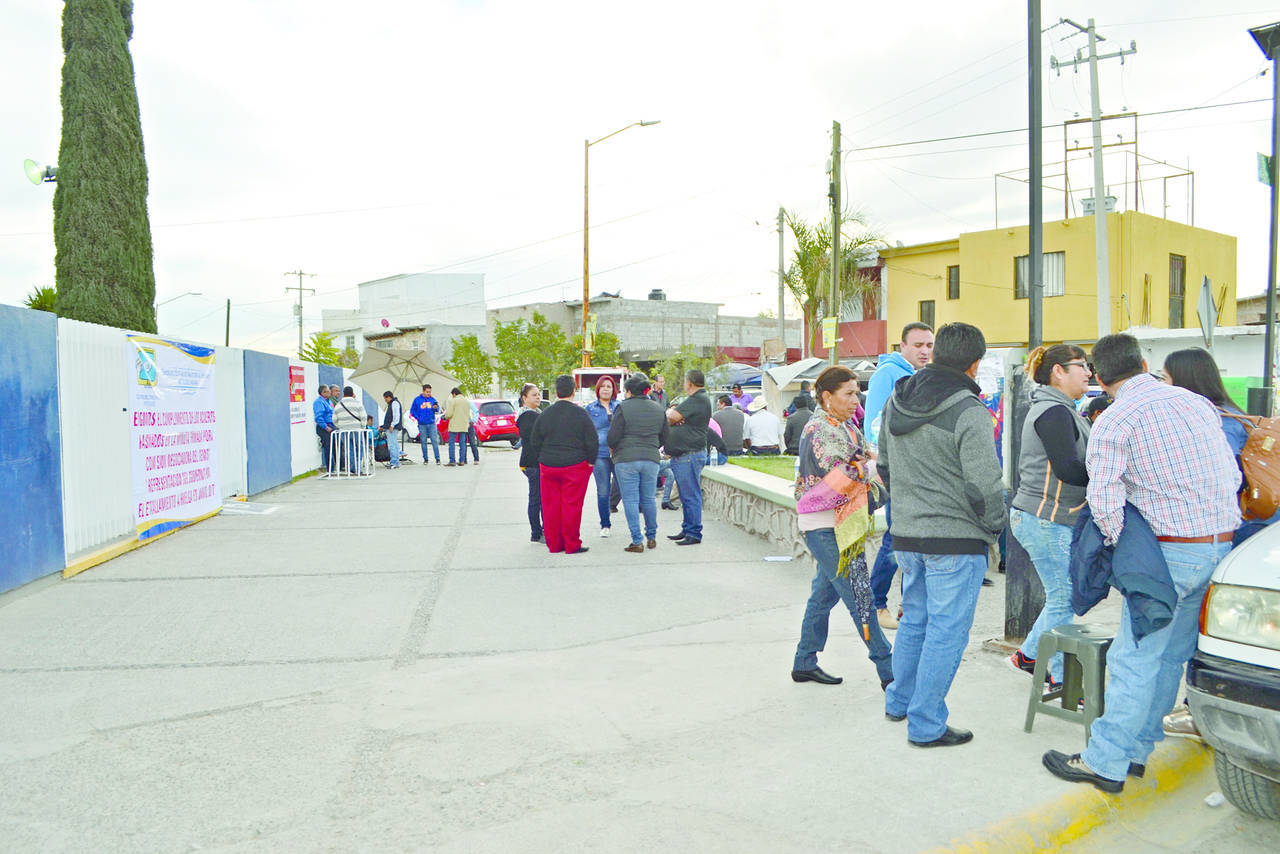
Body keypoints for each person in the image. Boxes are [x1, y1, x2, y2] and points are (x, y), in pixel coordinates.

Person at [1041, 334, 1240, 793]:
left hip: (1166, 554)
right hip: (1218, 546)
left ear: (1099, 376)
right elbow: (1230, 474)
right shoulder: (1196, 404)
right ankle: (1137, 748)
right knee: (1171, 654)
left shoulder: (1115, 421)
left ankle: (1105, 761)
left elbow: (1104, 501)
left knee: (1135, 657)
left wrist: (1118, 546)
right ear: (1145, 363)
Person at [879, 322, 1004, 748]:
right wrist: (995, 527)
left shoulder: (897, 398)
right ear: (974, 363)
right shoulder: (969, 410)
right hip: (954, 539)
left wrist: (909, 510)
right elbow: (984, 485)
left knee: (915, 619)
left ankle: (899, 701)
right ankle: (926, 722)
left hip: (908, 535)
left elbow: (884, 467)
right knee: (946, 631)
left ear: (935, 355)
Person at [1159, 348, 1274, 741]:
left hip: (1235, 534)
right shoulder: (1231, 413)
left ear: (1185, 380)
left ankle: (1198, 712)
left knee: (1206, 626)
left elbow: (1218, 484)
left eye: (1167, 377)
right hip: (1252, 530)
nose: (1164, 385)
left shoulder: (1216, 423)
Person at [792, 365, 896, 691]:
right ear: (827, 397)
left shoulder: (843, 424)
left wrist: (872, 462)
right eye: (849, 393)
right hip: (827, 526)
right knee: (860, 596)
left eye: (857, 393)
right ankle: (889, 668)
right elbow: (846, 475)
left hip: (839, 524)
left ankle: (804, 662)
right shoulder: (820, 430)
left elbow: (863, 458)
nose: (856, 400)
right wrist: (874, 466)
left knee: (824, 596)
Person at [1006, 345, 1092, 689]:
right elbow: (1070, 469)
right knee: (1064, 597)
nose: (1088, 372)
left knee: (1063, 596)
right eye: (1082, 366)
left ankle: (1029, 656)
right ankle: (1056, 675)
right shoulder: (1054, 412)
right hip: (1045, 518)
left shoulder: (1062, 409)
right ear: (1059, 371)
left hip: (1049, 517)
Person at [865, 321, 935, 630]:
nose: (924, 350)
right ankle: (875, 604)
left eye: (929, 345)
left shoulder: (921, 376)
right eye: (918, 345)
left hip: (919, 472)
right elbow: (876, 423)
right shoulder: (888, 374)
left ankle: (908, 606)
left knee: (913, 542)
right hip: (899, 473)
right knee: (896, 539)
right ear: (902, 346)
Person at [531, 375, 598, 554]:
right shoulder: (581, 414)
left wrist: (542, 458)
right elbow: (592, 440)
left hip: (548, 464)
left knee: (550, 505)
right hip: (575, 465)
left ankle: (554, 544)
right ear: (573, 391)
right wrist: (591, 462)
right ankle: (571, 544)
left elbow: (535, 441)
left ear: (556, 392)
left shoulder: (545, 414)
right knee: (572, 506)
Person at [609, 373, 669, 553]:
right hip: (651, 458)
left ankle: (637, 540)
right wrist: (651, 445)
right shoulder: (658, 408)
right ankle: (651, 536)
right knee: (649, 499)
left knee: (630, 500)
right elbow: (665, 436)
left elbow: (613, 437)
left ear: (628, 391)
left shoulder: (623, 408)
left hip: (626, 459)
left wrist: (616, 448)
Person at [665, 370, 712, 546]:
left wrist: (673, 415)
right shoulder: (698, 399)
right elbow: (675, 416)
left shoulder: (697, 399)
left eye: (685, 382)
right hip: (685, 454)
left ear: (689, 383)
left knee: (690, 494)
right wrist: (675, 415)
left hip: (689, 454)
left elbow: (671, 418)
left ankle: (694, 533)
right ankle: (687, 528)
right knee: (686, 494)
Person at [585, 376, 619, 539]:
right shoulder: (590, 409)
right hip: (600, 454)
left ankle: (635, 525)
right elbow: (585, 432)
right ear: (598, 389)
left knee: (626, 488)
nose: (606, 389)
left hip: (619, 454)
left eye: (609, 386)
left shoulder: (619, 406)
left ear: (614, 390)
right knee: (603, 491)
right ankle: (605, 524)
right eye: (603, 386)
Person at [515, 383, 544, 544]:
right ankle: (536, 532)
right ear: (524, 398)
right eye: (534, 395)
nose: (538, 397)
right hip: (532, 463)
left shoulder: (535, 414)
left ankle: (540, 530)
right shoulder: (528, 417)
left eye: (539, 394)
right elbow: (534, 440)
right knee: (536, 498)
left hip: (533, 462)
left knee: (539, 497)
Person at [332, 386, 368, 473]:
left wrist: (340, 426)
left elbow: (334, 420)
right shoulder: (357, 403)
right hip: (357, 429)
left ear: (344, 394)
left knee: (349, 449)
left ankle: (353, 467)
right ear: (352, 394)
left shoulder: (338, 405)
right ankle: (357, 466)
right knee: (360, 448)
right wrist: (362, 427)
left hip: (344, 431)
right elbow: (364, 417)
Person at [409, 383, 442, 465]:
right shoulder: (417, 400)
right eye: (427, 392)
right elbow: (412, 411)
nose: (429, 394)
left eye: (430, 392)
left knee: (434, 441)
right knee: (423, 441)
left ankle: (437, 458)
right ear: (423, 391)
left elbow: (437, 409)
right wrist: (418, 418)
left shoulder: (432, 399)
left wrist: (436, 408)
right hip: (422, 424)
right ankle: (425, 459)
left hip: (431, 423)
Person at [442, 387, 472, 466]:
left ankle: (452, 461)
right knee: (462, 443)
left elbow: (449, 414)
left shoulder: (453, 401)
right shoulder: (466, 401)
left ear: (454, 394)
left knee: (451, 443)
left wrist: (445, 417)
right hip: (464, 425)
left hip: (454, 424)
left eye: (452, 395)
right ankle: (462, 460)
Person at [313, 385, 335, 472]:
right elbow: (319, 417)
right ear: (323, 393)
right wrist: (325, 427)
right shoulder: (319, 402)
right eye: (328, 391)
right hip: (325, 427)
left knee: (333, 447)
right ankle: (330, 469)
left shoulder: (329, 402)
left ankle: (334, 467)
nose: (329, 392)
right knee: (328, 447)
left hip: (332, 425)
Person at [379, 391, 403, 469]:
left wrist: (392, 425)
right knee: (394, 445)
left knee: (392, 445)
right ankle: (396, 462)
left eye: (385, 399)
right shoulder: (392, 403)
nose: (385, 400)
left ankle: (394, 462)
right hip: (391, 427)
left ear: (388, 397)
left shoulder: (394, 403)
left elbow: (396, 416)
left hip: (392, 427)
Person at [466, 397, 482, 462]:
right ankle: (463, 459)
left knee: (472, 442)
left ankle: (476, 458)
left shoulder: (469, 403)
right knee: (463, 443)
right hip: (463, 425)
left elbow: (476, 412)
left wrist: (474, 421)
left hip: (470, 425)